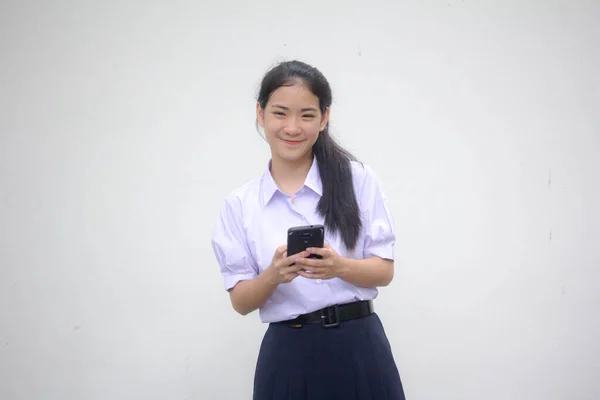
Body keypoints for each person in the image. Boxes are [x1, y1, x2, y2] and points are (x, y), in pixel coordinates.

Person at [211, 60, 406, 400]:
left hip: (358, 347)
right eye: (280, 113)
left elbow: (384, 271)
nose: (292, 127)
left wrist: (339, 267)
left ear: (324, 118)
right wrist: (273, 275)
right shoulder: (239, 204)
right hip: (288, 353)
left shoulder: (358, 180)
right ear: (260, 114)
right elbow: (241, 302)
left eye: (306, 115)